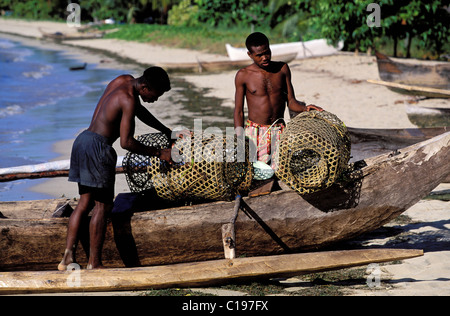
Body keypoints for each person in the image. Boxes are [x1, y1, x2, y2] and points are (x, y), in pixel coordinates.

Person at [58, 67, 173, 270]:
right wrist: (159, 153)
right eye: (156, 94)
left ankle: (68, 255)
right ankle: (94, 263)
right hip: (99, 148)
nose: (156, 99)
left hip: (83, 141)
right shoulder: (128, 99)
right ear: (145, 87)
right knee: (103, 206)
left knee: (84, 203)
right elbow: (127, 143)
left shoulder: (123, 81)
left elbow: (139, 111)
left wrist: (165, 130)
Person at [234, 32, 323, 168]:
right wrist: (239, 139)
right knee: (259, 174)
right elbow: (239, 112)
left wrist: (305, 108)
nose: (265, 57)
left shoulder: (282, 69)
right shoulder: (243, 75)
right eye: (259, 55)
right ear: (249, 55)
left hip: (279, 130)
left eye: (267, 52)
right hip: (255, 133)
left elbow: (291, 102)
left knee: (282, 171)